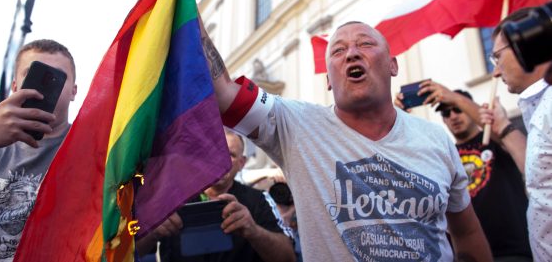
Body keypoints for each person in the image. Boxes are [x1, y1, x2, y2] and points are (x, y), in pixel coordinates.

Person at [199, 16, 492, 261]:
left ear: (393, 65)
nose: (352, 53)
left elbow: (466, 233)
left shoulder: (436, 140)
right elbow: (224, 94)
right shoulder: (294, 125)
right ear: (328, 79)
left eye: (365, 44)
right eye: (338, 51)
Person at [0, 39, 77, 261]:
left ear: (74, 91)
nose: (46, 85)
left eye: (57, 77)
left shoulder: (92, 149)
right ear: (15, 86)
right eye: (33, 73)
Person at [397, 84, 532, 261]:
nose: (453, 116)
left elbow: (504, 133)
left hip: (513, 252)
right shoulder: (443, 153)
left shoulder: (493, 139)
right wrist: (398, 119)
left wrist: (453, 97)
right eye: (446, 113)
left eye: (457, 109)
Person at [136, 129, 295, 262]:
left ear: (242, 163)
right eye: (214, 152)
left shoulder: (259, 200)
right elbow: (130, 252)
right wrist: (154, 232)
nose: (222, 159)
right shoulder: (170, 199)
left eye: (231, 154)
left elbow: (289, 258)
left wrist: (253, 230)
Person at [483, 7, 552, 261]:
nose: (496, 71)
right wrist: (503, 126)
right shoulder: (540, 108)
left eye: (497, 57)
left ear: (527, 45)